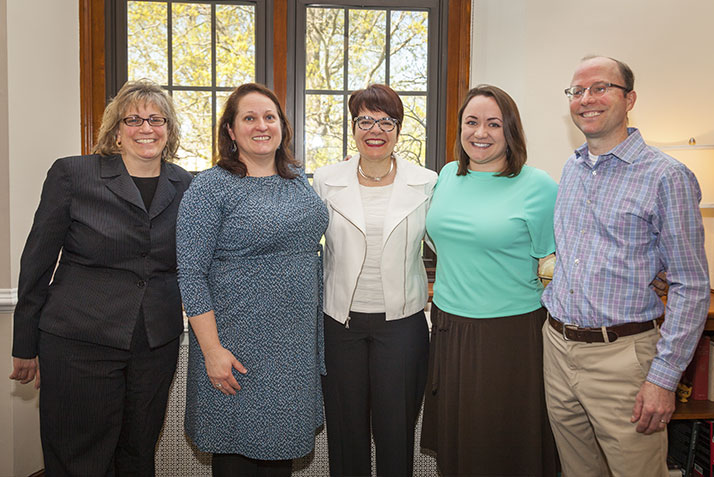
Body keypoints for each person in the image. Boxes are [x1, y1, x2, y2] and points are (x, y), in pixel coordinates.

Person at [9, 79, 193, 475]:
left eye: (156, 119)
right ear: (115, 130)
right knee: (80, 459)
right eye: (134, 119)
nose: (146, 128)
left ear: (169, 129)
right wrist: (25, 343)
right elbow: (37, 262)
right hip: (78, 340)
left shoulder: (187, 186)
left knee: (137, 453)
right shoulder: (74, 175)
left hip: (154, 344)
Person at [542, 55, 711, 476]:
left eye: (600, 88)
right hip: (559, 349)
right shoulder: (573, 168)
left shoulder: (667, 176)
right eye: (577, 91)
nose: (586, 99)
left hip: (623, 358)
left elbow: (690, 284)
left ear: (629, 98)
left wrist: (664, 378)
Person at [176, 83, 328, 477]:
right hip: (235, 347)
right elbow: (191, 273)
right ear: (230, 131)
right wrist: (211, 351)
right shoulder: (209, 187)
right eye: (249, 118)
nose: (261, 126)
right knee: (235, 454)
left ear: (282, 126)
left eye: (269, 117)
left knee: (280, 459)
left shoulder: (298, 182)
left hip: (292, 350)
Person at [421, 84, 559, 476]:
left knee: (505, 445)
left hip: (510, 334)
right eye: (472, 122)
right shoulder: (448, 176)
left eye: (493, 124)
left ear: (510, 131)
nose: (480, 133)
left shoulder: (539, 186)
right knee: (459, 446)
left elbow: (561, 263)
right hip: (449, 328)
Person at [312, 84, 437, 477]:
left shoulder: (428, 182)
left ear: (399, 129)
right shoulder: (325, 180)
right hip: (340, 326)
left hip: (402, 327)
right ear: (353, 128)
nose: (375, 129)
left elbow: (450, 244)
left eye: (386, 120)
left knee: (396, 433)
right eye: (365, 120)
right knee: (346, 436)